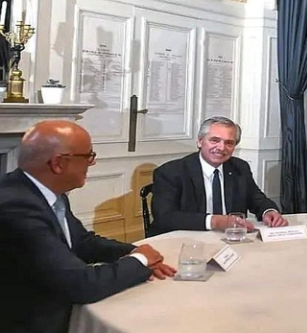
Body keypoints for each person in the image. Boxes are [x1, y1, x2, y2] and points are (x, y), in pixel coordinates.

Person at [0, 120, 175, 333]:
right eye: (88, 156)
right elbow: (81, 284)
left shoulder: (45, 191)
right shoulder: (17, 207)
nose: (92, 163)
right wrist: (140, 261)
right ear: (58, 163)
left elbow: (81, 242)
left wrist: (133, 251)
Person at [151, 116, 288, 235]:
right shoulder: (171, 172)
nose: (222, 148)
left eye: (229, 143)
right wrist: (215, 221)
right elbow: (165, 217)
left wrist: (268, 211)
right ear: (200, 141)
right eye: (215, 140)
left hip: (231, 238)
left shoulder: (239, 167)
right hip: (186, 239)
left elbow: (256, 198)